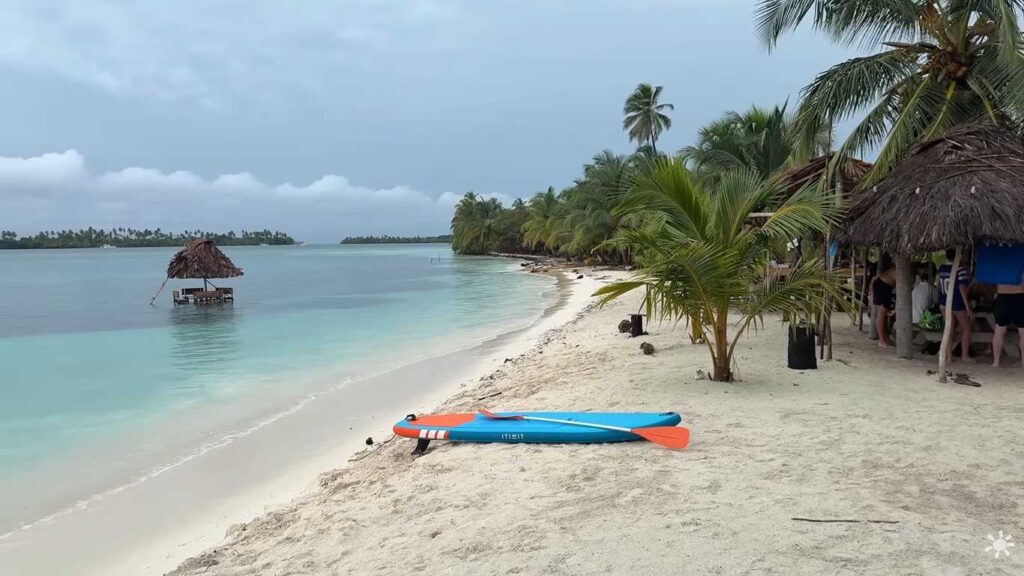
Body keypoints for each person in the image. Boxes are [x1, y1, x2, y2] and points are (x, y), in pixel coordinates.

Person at [937, 249, 973, 362]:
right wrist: (968, 306)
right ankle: (964, 356)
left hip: (943, 302)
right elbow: (962, 289)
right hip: (957, 303)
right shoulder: (960, 269)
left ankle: (949, 356)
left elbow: (938, 285)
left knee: (949, 329)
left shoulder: (942, 268)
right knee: (966, 328)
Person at [992, 281, 1024, 367]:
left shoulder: (999, 266)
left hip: (1003, 294)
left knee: (999, 329)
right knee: (1022, 331)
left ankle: (996, 362)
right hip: (1019, 294)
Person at [872, 259, 896, 348]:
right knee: (881, 314)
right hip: (882, 286)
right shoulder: (897, 269)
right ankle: (881, 340)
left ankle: (885, 338)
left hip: (887, 287)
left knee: (884, 315)